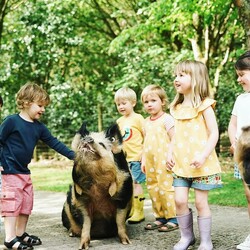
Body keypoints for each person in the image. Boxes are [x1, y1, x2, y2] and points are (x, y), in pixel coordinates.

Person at [0, 83, 75, 250]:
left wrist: (74, 156)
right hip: (9, 171)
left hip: (24, 172)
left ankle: (20, 234)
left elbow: (54, 142)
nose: (43, 110)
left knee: (26, 203)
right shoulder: (11, 121)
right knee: (11, 205)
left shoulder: (38, 127)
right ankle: (10, 238)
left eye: (44, 106)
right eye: (40, 105)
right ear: (27, 102)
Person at [168, 60, 222, 250]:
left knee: (200, 202)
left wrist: (204, 155)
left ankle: (206, 240)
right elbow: (175, 136)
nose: (176, 79)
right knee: (179, 200)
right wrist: (169, 153)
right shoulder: (177, 108)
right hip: (181, 165)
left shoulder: (205, 105)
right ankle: (186, 237)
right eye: (176, 75)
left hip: (202, 164)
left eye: (182, 75)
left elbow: (214, 133)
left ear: (196, 78)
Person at [141, 84, 178, 232]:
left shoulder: (167, 119)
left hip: (164, 160)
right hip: (150, 161)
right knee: (152, 187)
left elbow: (175, 138)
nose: (149, 104)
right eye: (146, 102)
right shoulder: (145, 122)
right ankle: (160, 216)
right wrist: (143, 160)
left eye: (153, 100)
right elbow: (145, 143)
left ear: (162, 102)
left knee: (166, 187)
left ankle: (173, 217)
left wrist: (171, 155)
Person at [228, 50, 250, 250]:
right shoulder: (241, 100)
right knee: (249, 195)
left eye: (242, 74)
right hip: (244, 155)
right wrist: (234, 141)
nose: (239, 79)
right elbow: (232, 125)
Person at [114, 87, 146, 224]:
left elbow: (147, 136)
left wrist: (143, 153)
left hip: (136, 158)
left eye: (124, 103)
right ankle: (132, 209)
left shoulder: (138, 118)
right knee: (128, 185)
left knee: (136, 183)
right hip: (124, 159)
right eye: (118, 104)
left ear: (133, 103)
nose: (121, 106)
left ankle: (139, 211)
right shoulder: (119, 121)